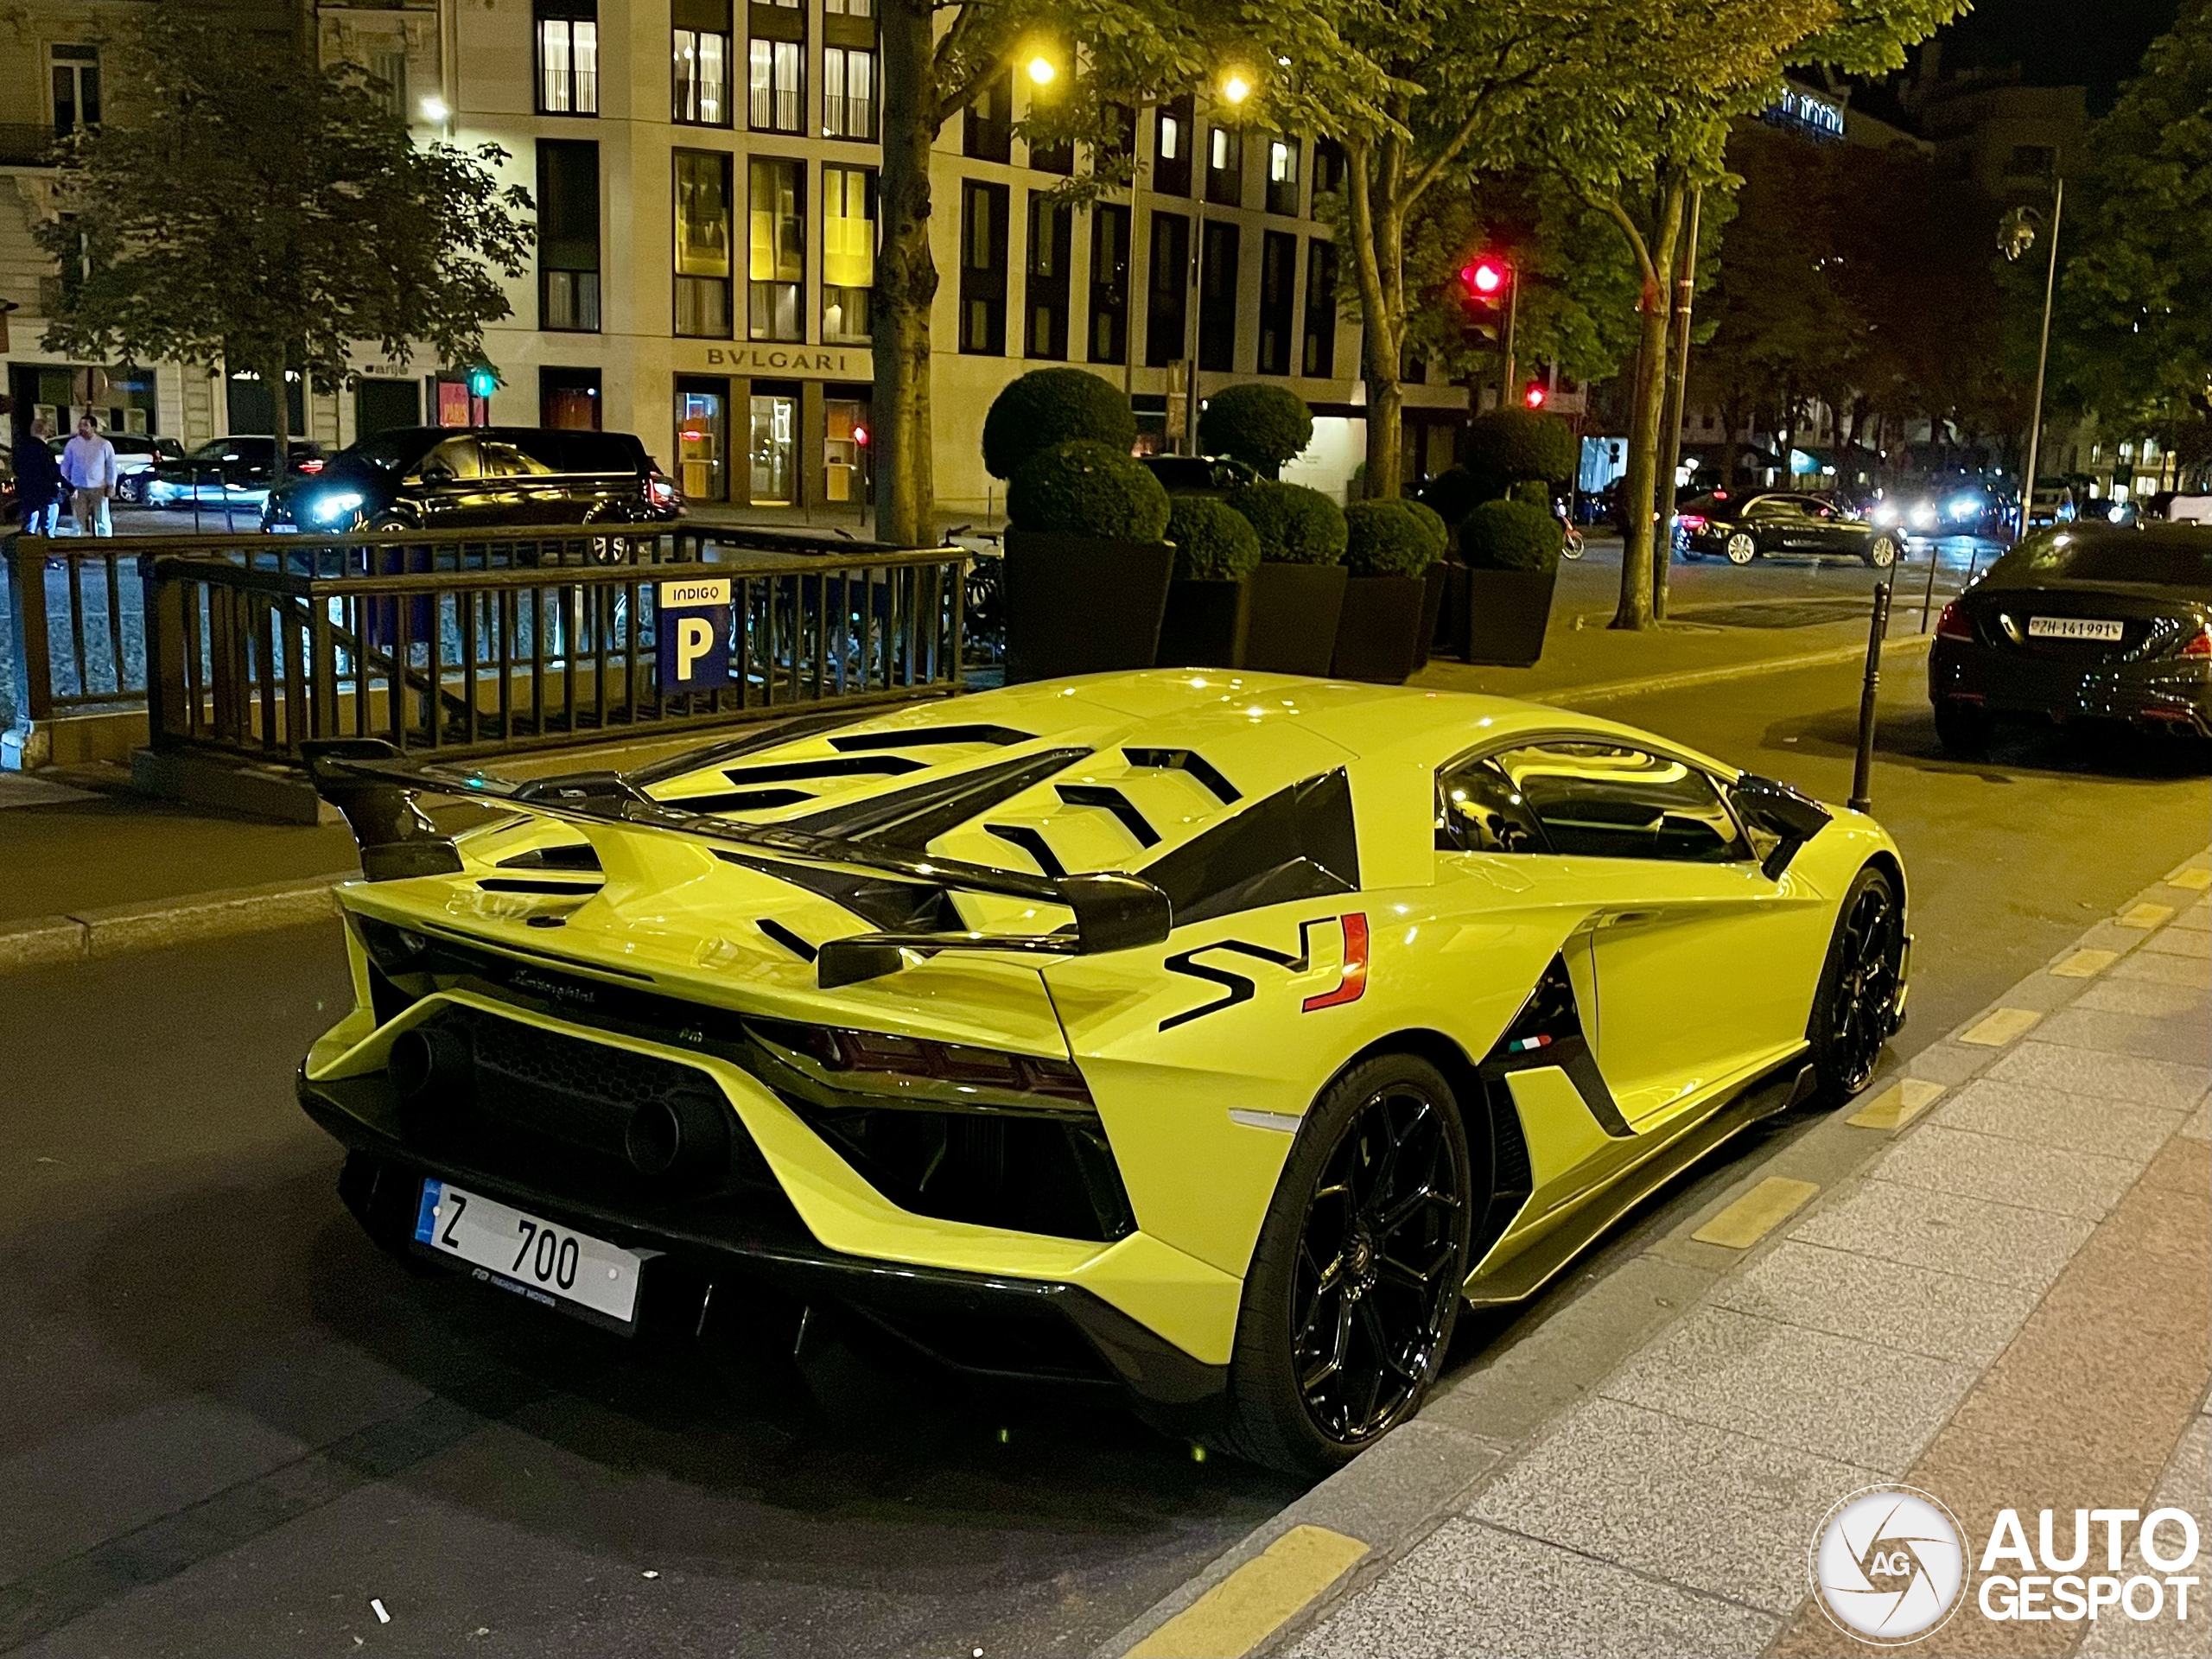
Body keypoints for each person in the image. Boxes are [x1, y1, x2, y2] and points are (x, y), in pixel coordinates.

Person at [60, 414, 118, 536]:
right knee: (78, 520)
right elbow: (66, 464)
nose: (82, 428)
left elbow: (111, 466)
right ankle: (79, 545)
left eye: (85, 425)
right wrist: (65, 483)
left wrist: (111, 484)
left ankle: (105, 544)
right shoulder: (72, 444)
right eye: (80, 425)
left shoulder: (104, 444)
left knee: (102, 519)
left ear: (94, 427)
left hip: (99, 487)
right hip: (78, 487)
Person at [14, 417, 63, 535]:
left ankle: (29, 548)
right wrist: (69, 487)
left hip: (27, 492)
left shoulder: (21, 449)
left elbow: (16, 468)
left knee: (29, 526)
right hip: (46, 494)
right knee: (48, 527)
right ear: (46, 433)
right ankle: (48, 547)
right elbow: (52, 472)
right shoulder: (46, 451)